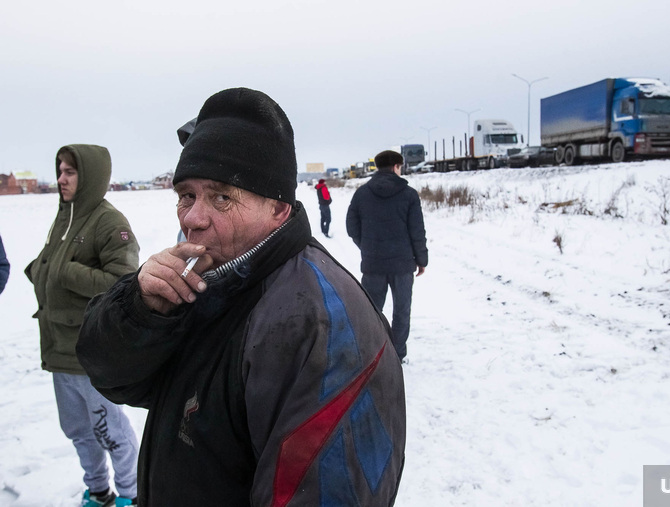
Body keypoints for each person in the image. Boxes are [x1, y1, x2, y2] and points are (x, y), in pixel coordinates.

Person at [76, 88, 406, 506]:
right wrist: (141, 308)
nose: (192, 218)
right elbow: (114, 377)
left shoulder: (321, 324)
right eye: (186, 195)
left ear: (278, 209)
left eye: (221, 197)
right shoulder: (210, 278)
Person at [24, 145, 140, 507]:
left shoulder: (109, 222)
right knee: (78, 432)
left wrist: (66, 274)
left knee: (111, 431)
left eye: (70, 172)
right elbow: (53, 265)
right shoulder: (65, 217)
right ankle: (99, 491)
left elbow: (126, 283)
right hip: (59, 350)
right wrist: (40, 272)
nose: (61, 179)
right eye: (59, 170)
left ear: (88, 176)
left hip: (91, 354)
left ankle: (131, 494)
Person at [346, 150, 428, 362]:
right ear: (396, 167)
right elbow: (417, 230)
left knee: (371, 310)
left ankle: (371, 354)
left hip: (373, 264)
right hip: (402, 264)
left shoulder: (362, 193)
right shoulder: (409, 194)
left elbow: (351, 226)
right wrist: (421, 259)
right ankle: (397, 354)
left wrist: (366, 246)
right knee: (401, 311)